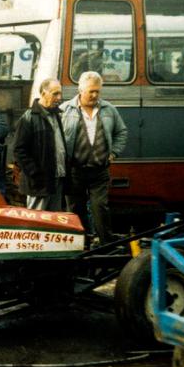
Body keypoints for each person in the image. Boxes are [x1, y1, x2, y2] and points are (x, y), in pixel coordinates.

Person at [61, 71, 128, 245]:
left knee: (100, 209)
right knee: (75, 210)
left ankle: (105, 247)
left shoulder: (109, 110)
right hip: (74, 171)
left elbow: (122, 132)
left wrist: (114, 153)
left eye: (97, 91)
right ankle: (80, 246)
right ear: (80, 90)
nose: (95, 95)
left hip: (100, 171)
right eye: (91, 91)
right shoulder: (65, 110)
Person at [13, 78, 67, 211]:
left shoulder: (56, 115)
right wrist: (35, 174)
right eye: (55, 94)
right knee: (37, 222)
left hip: (57, 179)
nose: (59, 98)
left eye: (60, 93)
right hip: (39, 184)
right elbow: (19, 150)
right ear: (43, 93)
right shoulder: (29, 118)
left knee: (54, 222)